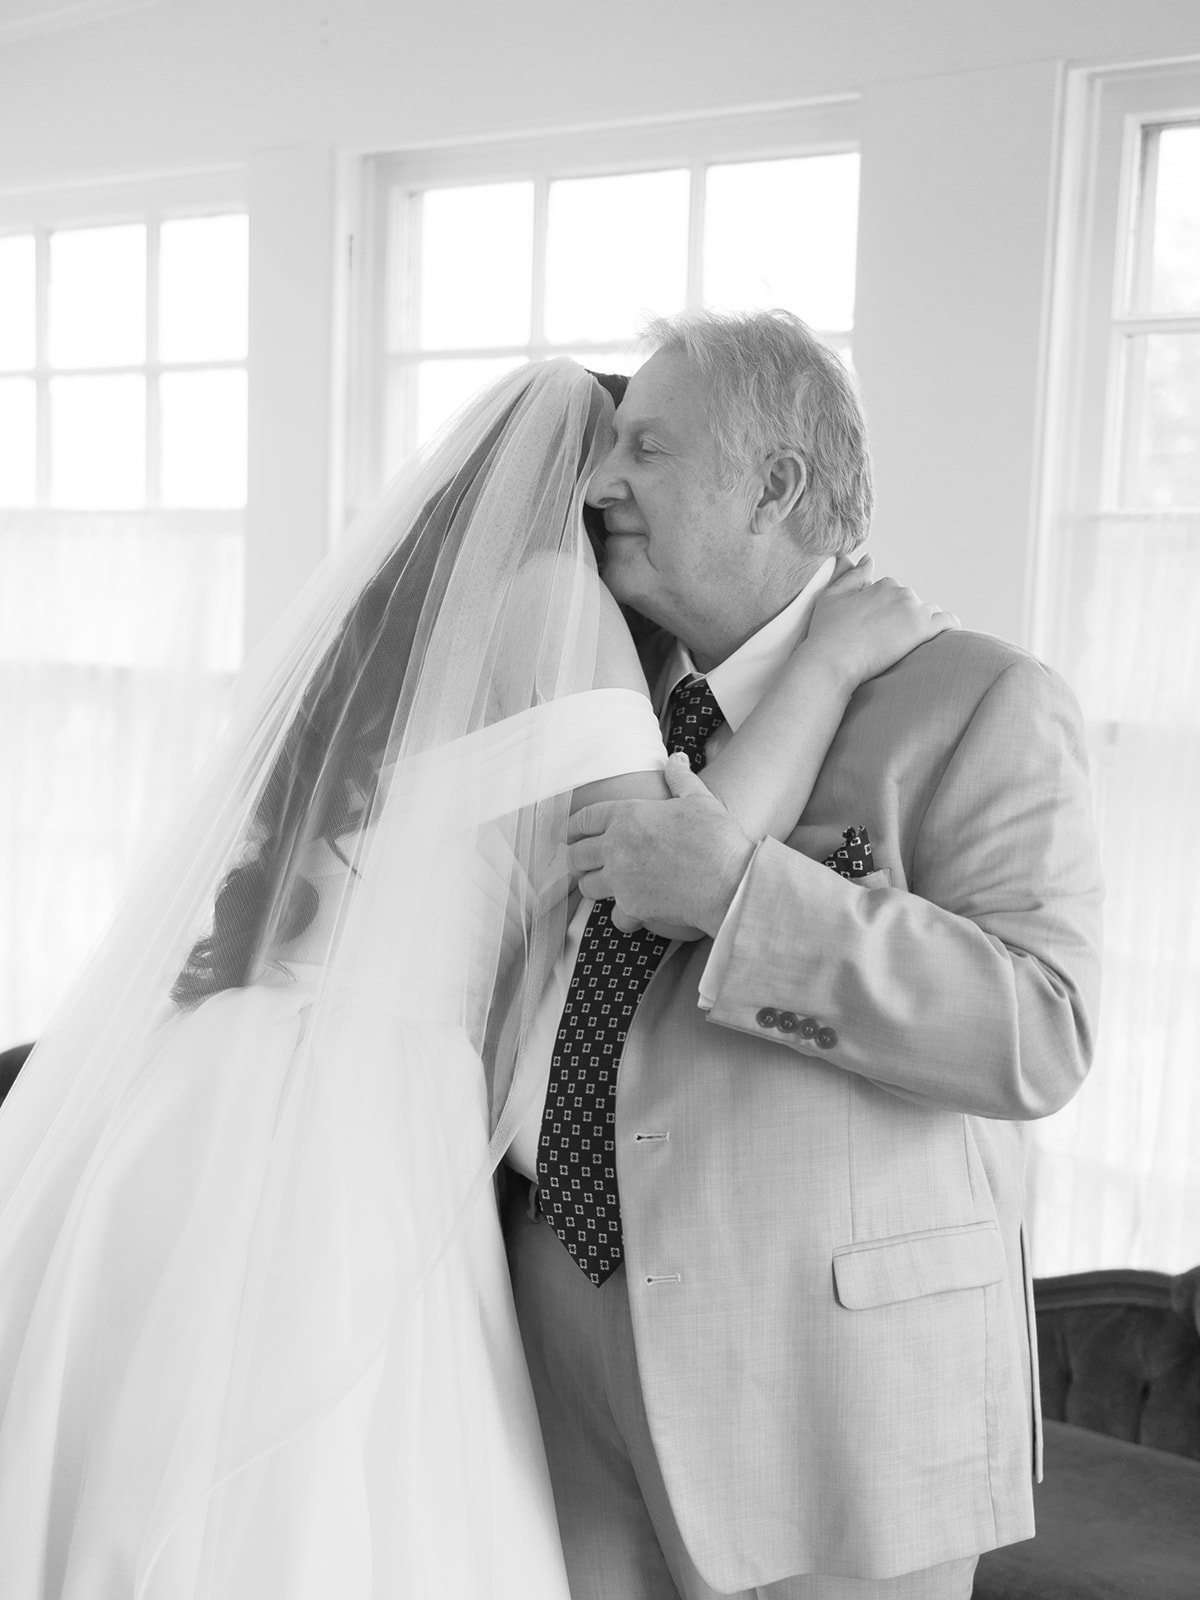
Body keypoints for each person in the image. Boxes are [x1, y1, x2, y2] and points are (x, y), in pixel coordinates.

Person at [0, 356, 948, 1598]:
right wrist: (824, 668)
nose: (619, 486)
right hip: (351, 1097)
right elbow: (673, 865)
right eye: (619, 456)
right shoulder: (552, 602)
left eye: (650, 456)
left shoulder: (407, 634)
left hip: (226, 1069)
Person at [503, 312, 1105, 1600]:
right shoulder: (593, 688)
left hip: (834, 1390)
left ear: (775, 483)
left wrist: (743, 898)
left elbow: (1039, 1029)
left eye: (646, 450)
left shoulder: (983, 698)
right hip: (554, 1345)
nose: (601, 485)